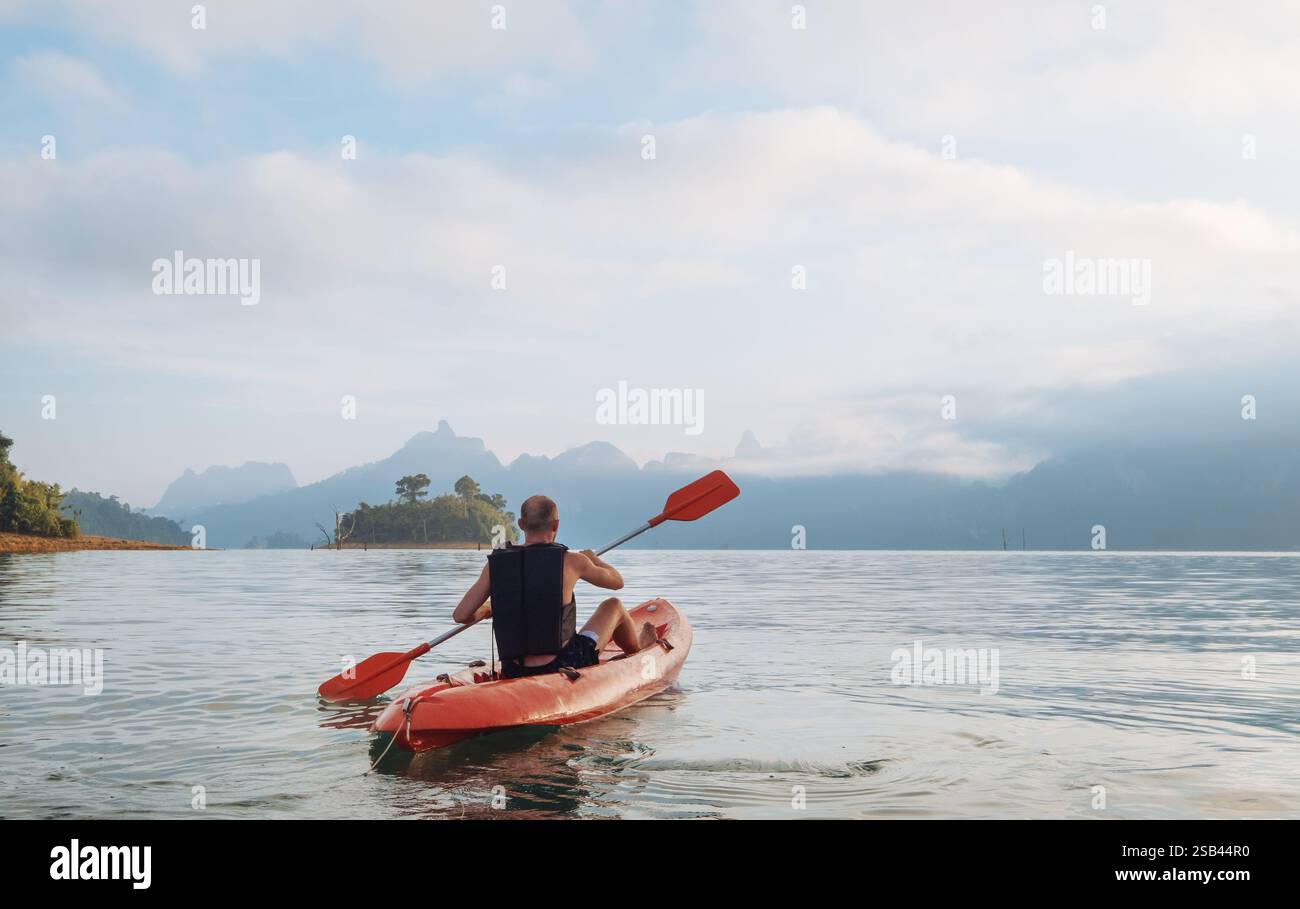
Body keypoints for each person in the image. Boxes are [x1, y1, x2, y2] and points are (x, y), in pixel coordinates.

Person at [452, 494, 657, 679]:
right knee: (614, 606)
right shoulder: (572, 561)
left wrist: (489, 608)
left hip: (514, 668)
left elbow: (461, 615)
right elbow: (616, 582)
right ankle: (637, 654)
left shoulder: (496, 565)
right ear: (555, 525)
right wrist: (594, 560)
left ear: (521, 524)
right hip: (564, 662)